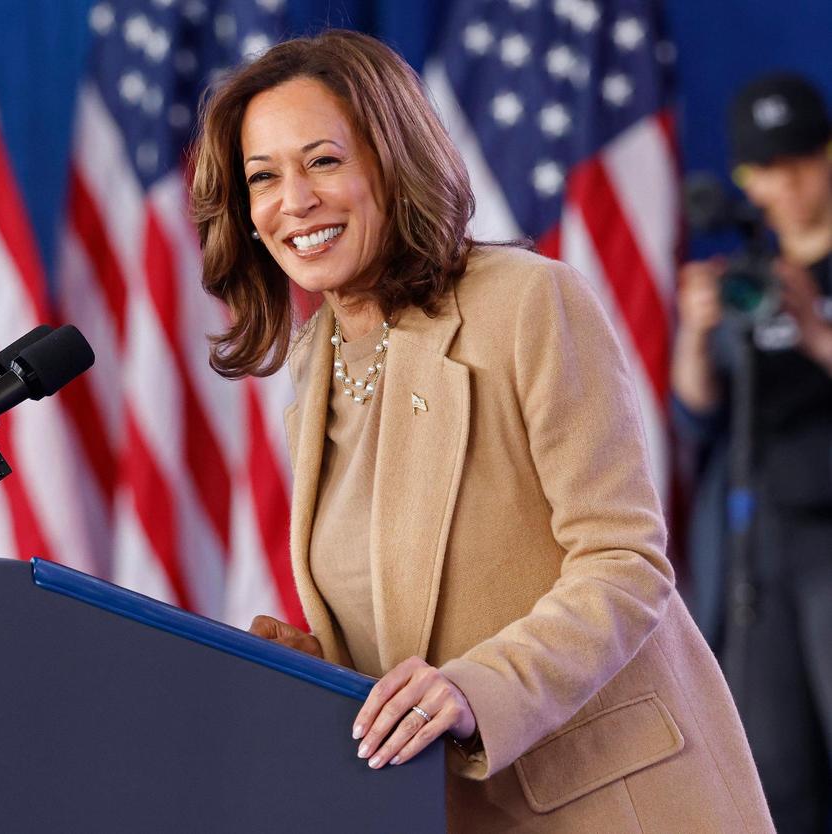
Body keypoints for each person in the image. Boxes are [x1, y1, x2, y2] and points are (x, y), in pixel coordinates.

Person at [191, 29, 776, 832]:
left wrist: (477, 688)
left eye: (324, 161)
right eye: (264, 177)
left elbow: (624, 561)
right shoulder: (313, 363)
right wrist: (310, 671)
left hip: (609, 801)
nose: (294, 200)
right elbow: (410, 612)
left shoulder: (527, 303)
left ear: (392, 162)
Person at [673, 73, 832, 834]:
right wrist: (695, 333)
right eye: (768, 169)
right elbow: (697, 416)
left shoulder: (804, 285)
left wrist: (816, 330)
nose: (787, 183)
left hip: (828, 536)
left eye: (801, 161)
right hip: (754, 552)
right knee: (775, 772)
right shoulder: (745, 274)